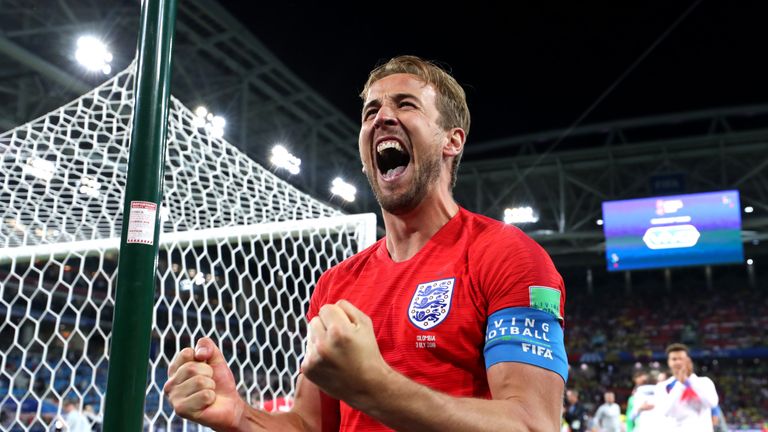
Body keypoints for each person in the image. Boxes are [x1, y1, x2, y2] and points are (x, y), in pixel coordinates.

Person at [164, 55, 568, 431]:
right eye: (371, 111)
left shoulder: (507, 255)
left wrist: (374, 386)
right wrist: (240, 417)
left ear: (452, 141)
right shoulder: (335, 285)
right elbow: (308, 424)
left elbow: (532, 423)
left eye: (406, 105)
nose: (383, 118)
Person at [653, 343, 719, 431]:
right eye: (674, 359)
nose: (678, 362)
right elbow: (665, 411)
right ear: (669, 362)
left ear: (688, 361)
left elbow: (712, 403)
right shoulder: (662, 387)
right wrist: (680, 384)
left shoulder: (705, 382)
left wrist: (690, 381)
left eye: (681, 359)